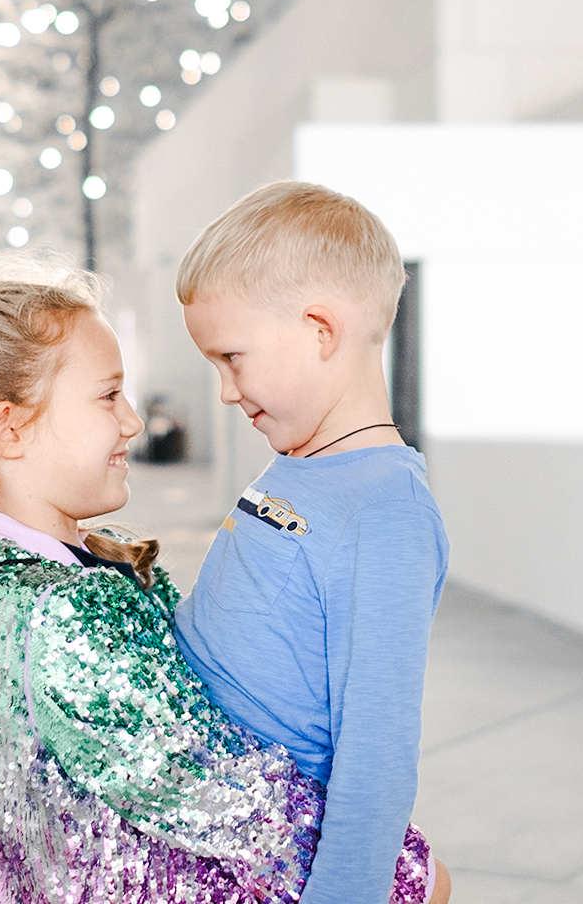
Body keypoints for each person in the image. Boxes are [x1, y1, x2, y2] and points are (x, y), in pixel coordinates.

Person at [0, 276, 443, 903]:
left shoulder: (14, 578)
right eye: (108, 396)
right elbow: (228, 801)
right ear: (10, 430)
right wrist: (410, 876)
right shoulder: (63, 619)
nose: (131, 420)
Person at [174, 181, 451, 904]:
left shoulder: (385, 508)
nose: (227, 391)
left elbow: (378, 752)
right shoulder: (296, 462)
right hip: (202, 822)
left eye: (233, 357)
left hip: (264, 851)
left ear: (320, 330)